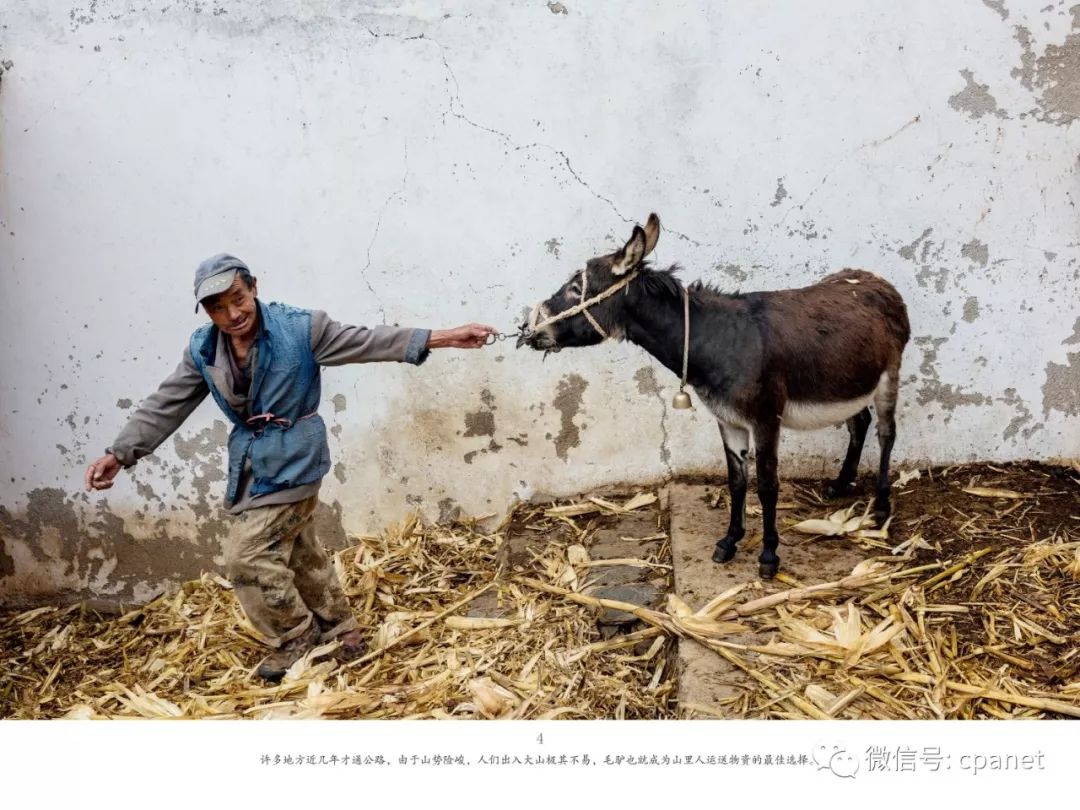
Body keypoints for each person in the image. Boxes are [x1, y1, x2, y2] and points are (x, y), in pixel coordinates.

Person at [84, 254, 496, 681]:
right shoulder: (204, 348)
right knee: (300, 551)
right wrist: (120, 454)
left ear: (254, 287)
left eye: (238, 299)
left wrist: (444, 337)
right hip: (252, 461)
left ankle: (296, 638)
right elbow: (167, 403)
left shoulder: (301, 328)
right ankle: (342, 633)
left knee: (246, 556)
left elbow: (369, 340)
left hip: (297, 458)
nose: (233, 314)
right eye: (218, 308)